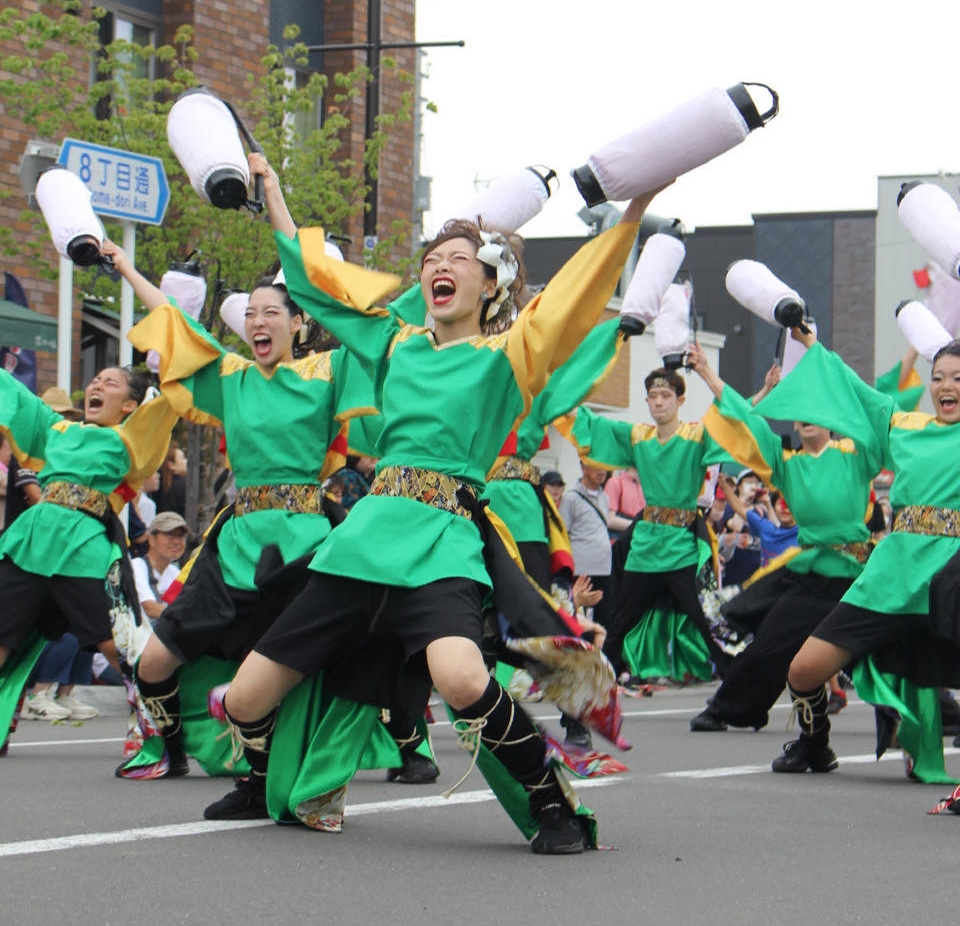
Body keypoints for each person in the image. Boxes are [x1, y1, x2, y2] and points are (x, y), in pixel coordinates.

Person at [212, 184, 662, 853]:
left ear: (490, 285)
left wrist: (631, 213)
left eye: (458, 258)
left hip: (443, 541)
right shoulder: (393, 343)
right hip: (362, 543)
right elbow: (312, 284)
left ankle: (551, 803)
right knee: (245, 700)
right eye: (432, 258)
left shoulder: (507, 356)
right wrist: (277, 193)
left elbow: (570, 302)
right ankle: (260, 779)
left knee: (461, 679)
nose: (438, 266)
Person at [111, 150, 400, 784]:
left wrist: (270, 190)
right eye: (252, 314)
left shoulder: (327, 371)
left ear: (300, 324)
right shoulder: (234, 377)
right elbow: (172, 324)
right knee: (156, 660)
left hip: (304, 547)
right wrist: (125, 265)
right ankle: (167, 746)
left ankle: (345, 755)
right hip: (235, 541)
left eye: (274, 312)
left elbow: (329, 292)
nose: (259, 320)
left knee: (333, 661)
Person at [749, 327, 960, 779]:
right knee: (804, 670)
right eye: (939, 377)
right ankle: (814, 744)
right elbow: (853, 389)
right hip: (891, 576)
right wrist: (809, 343)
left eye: (958, 378)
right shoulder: (904, 426)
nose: (947, 386)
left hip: (951, 579)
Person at [684, 340, 877, 735]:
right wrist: (706, 372)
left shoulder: (856, 455)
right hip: (812, 574)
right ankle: (735, 708)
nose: (806, 419)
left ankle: (937, 711)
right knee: (772, 641)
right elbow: (748, 421)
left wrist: (815, 350)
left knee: (893, 643)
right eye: (799, 414)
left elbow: (873, 411)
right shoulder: (786, 464)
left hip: (858, 575)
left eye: (815, 412)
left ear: (828, 420)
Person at [0, 364, 178, 743]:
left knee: (116, 643)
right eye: (95, 380)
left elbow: (166, 405)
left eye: (109, 383)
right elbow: (14, 396)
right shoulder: (58, 429)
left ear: (130, 405)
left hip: (84, 546)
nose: (96, 385)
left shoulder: (129, 438)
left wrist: (167, 371)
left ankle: (157, 729)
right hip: (32, 542)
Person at [573, 367, 730, 682]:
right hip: (645, 545)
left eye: (665, 396)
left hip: (681, 547)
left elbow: (732, 419)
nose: (658, 403)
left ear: (679, 400)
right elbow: (594, 426)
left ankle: (736, 686)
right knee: (620, 621)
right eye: (653, 397)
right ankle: (596, 689)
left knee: (704, 619)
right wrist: (565, 389)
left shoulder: (696, 435)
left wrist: (709, 374)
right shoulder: (638, 436)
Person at [131, 510, 189, 625]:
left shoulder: (176, 573)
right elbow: (150, 609)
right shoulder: (136, 566)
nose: (176, 541)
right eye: (170, 534)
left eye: (181, 536)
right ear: (152, 539)